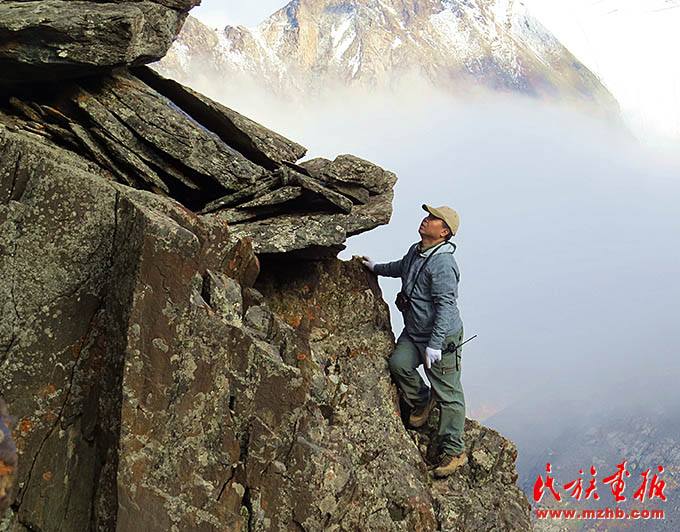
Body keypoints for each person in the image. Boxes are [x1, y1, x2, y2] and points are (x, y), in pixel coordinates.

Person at [362, 204, 467, 478]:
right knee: (399, 365)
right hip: (415, 332)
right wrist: (376, 268)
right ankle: (422, 400)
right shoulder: (416, 250)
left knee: (449, 394)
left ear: (444, 232)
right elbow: (401, 267)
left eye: (433, 219)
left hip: (441, 339)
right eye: (428, 215)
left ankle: (455, 452)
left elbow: (445, 306)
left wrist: (435, 343)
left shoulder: (443, 263)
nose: (426, 219)